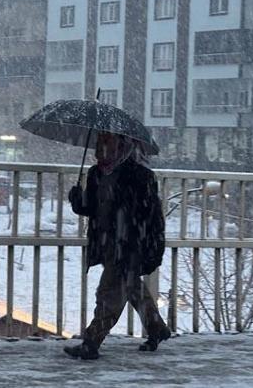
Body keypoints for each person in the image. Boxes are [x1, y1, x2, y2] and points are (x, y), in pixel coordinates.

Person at [63, 132, 170, 360]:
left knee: (109, 293)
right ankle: (156, 328)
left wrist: (150, 245)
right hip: (107, 243)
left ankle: (92, 342)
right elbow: (90, 208)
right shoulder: (96, 173)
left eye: (108, 142)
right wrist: (77, 200)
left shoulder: (139, 176)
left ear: (123, 146)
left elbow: (152, 216)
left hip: (131, 244)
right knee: (131, 287)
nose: (101, 147)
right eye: (100, 142)